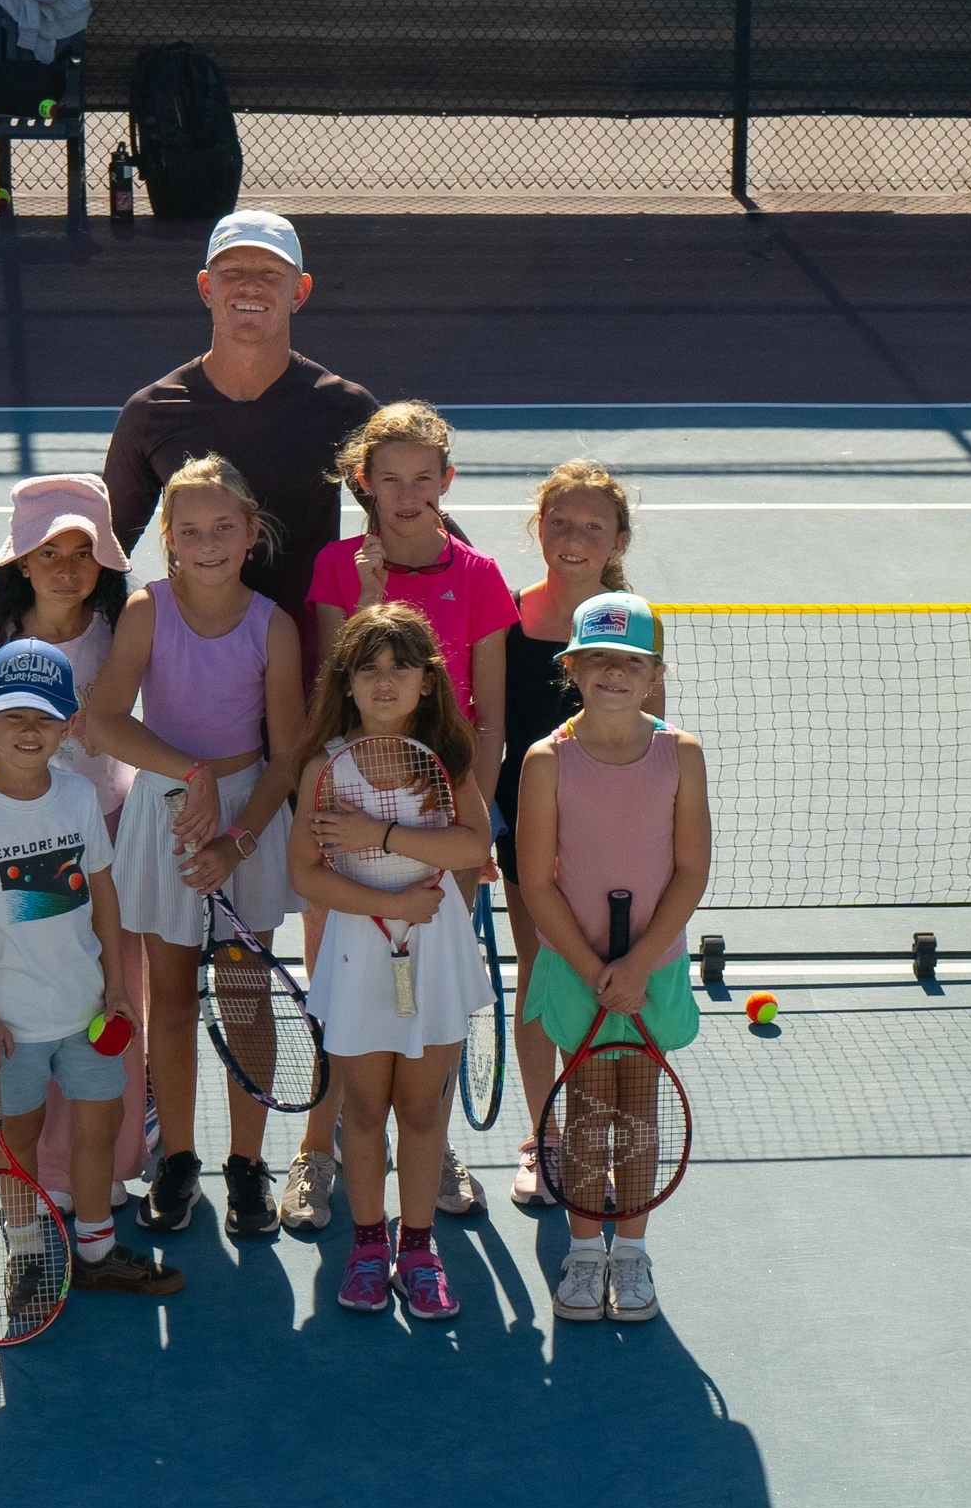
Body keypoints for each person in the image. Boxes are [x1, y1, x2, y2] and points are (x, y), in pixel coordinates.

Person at [279, 400, 517, 1229]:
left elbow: (485, 716)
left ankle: (432, 1146)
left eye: (424, 479)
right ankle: (318, 1151)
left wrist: (465, 826)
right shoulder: (339, 567)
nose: (408, 495)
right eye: (391, 481)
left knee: (427, 1016)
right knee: (341, 1000)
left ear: (446, 482)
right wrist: (374, 591)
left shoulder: (482, 576)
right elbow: (335, 694)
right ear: (364, 486)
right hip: (349, 821)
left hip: (443, 819)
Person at [88, 454, 306, 1237]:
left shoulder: (272, 627)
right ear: (169, 542)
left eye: (223, 527)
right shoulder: (147, 612)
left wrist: (238, 844)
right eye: (189, 531)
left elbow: (286, 756)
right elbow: (105, 719)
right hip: (163, 813)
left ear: (250, 532)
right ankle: (178, 1160)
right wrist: (190, 774)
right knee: (170, 1000)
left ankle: (246, 1164)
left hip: (245, 824)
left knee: (246, 998)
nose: (207, 542)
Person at [0, 639, 181, 1296]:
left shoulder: (76, 799)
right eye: (12, 716)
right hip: (9, 1028)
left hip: (88, 1014)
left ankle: (97, 1250)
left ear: (69, 725)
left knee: (97, 1132)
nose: (28, 731)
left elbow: (101, 890)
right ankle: (24, 1255)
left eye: (45, 717)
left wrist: (118, 989)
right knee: (18, 1145)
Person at [0, 474, 150, 1215]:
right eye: (48, 550)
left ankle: (109, 1161)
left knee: (110, 1007)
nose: (68, 567)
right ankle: (47, 1174)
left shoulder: (124, 630)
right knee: (47, 1015)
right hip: (30, 866)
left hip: (113, 849)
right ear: (21, 563)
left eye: (84, 550)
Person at [289, 604, 495, 1320]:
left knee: (420, 1110)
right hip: (355, 957)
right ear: (345, 684)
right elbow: (306, 876)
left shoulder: (445, 762)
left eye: (400, 668)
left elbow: (473, 848)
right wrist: (389, 905)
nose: (384, 682)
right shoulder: (324, 766)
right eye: (368, 670)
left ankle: (418, 1248)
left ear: (427, 684)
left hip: (433, 956)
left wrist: (377, 833)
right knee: (367, 1110)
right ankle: (369, 1246)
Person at [515, 592, 710, 1322]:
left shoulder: (681, 755)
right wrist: (595, 968)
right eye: (598, 659)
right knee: (589, 1109)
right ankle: (582, 1251)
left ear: (654, 674)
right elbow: (536, 880)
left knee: (638, 1111)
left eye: (630, 662)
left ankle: (630, 1253)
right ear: (573, 668)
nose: (614, 674)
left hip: (650, 972)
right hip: (577, 971)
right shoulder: (545, 761)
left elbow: (690, 870)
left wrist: (638, 966)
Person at [102, 210, 379, 685]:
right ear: (207, 288)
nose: (250, 287)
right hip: (192, 680)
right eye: (233, 273)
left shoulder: (345, 410)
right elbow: (104, 553)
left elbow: (411, 522)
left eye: (270, 274)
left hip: (310, 675)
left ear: (299, 292)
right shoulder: (150, 413)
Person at [493, 461, 659, 1206]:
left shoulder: (636, 624)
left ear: (617, 537)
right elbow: (491, 725)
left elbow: (654, 743)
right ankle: (546, 1138)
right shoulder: (505, 614)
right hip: (528, 825)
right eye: (559, 522)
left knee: (613, 983)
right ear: (539, 529)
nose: (572, 538)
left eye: (592, 526)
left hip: (614, 839)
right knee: (543, 976)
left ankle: (604, 1136)